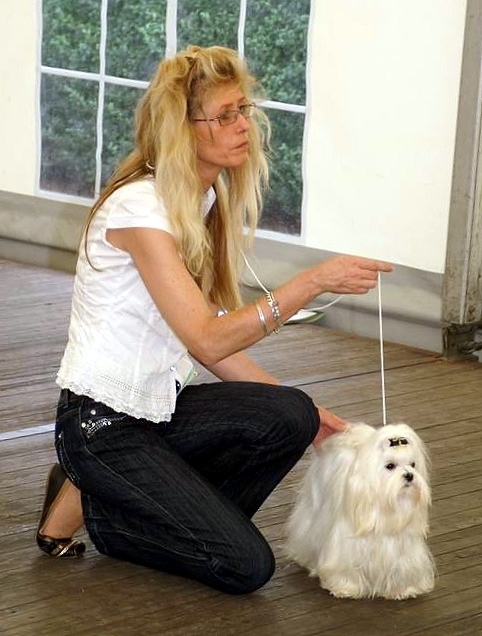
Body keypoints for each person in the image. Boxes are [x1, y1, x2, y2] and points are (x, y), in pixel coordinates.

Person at [35, 45, 393, 593]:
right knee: (245, 567)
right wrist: (311, 283)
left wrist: (317, 416)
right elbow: (206, 338)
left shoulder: (198, 202)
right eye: (224, 115)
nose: (243, 125)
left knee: (291, 414)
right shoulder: (140, 208)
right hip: (101, 424)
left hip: (156, 409)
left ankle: (141, 501)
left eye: (243, 109)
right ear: (183, 129)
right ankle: (107, 511)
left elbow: (213, 346)